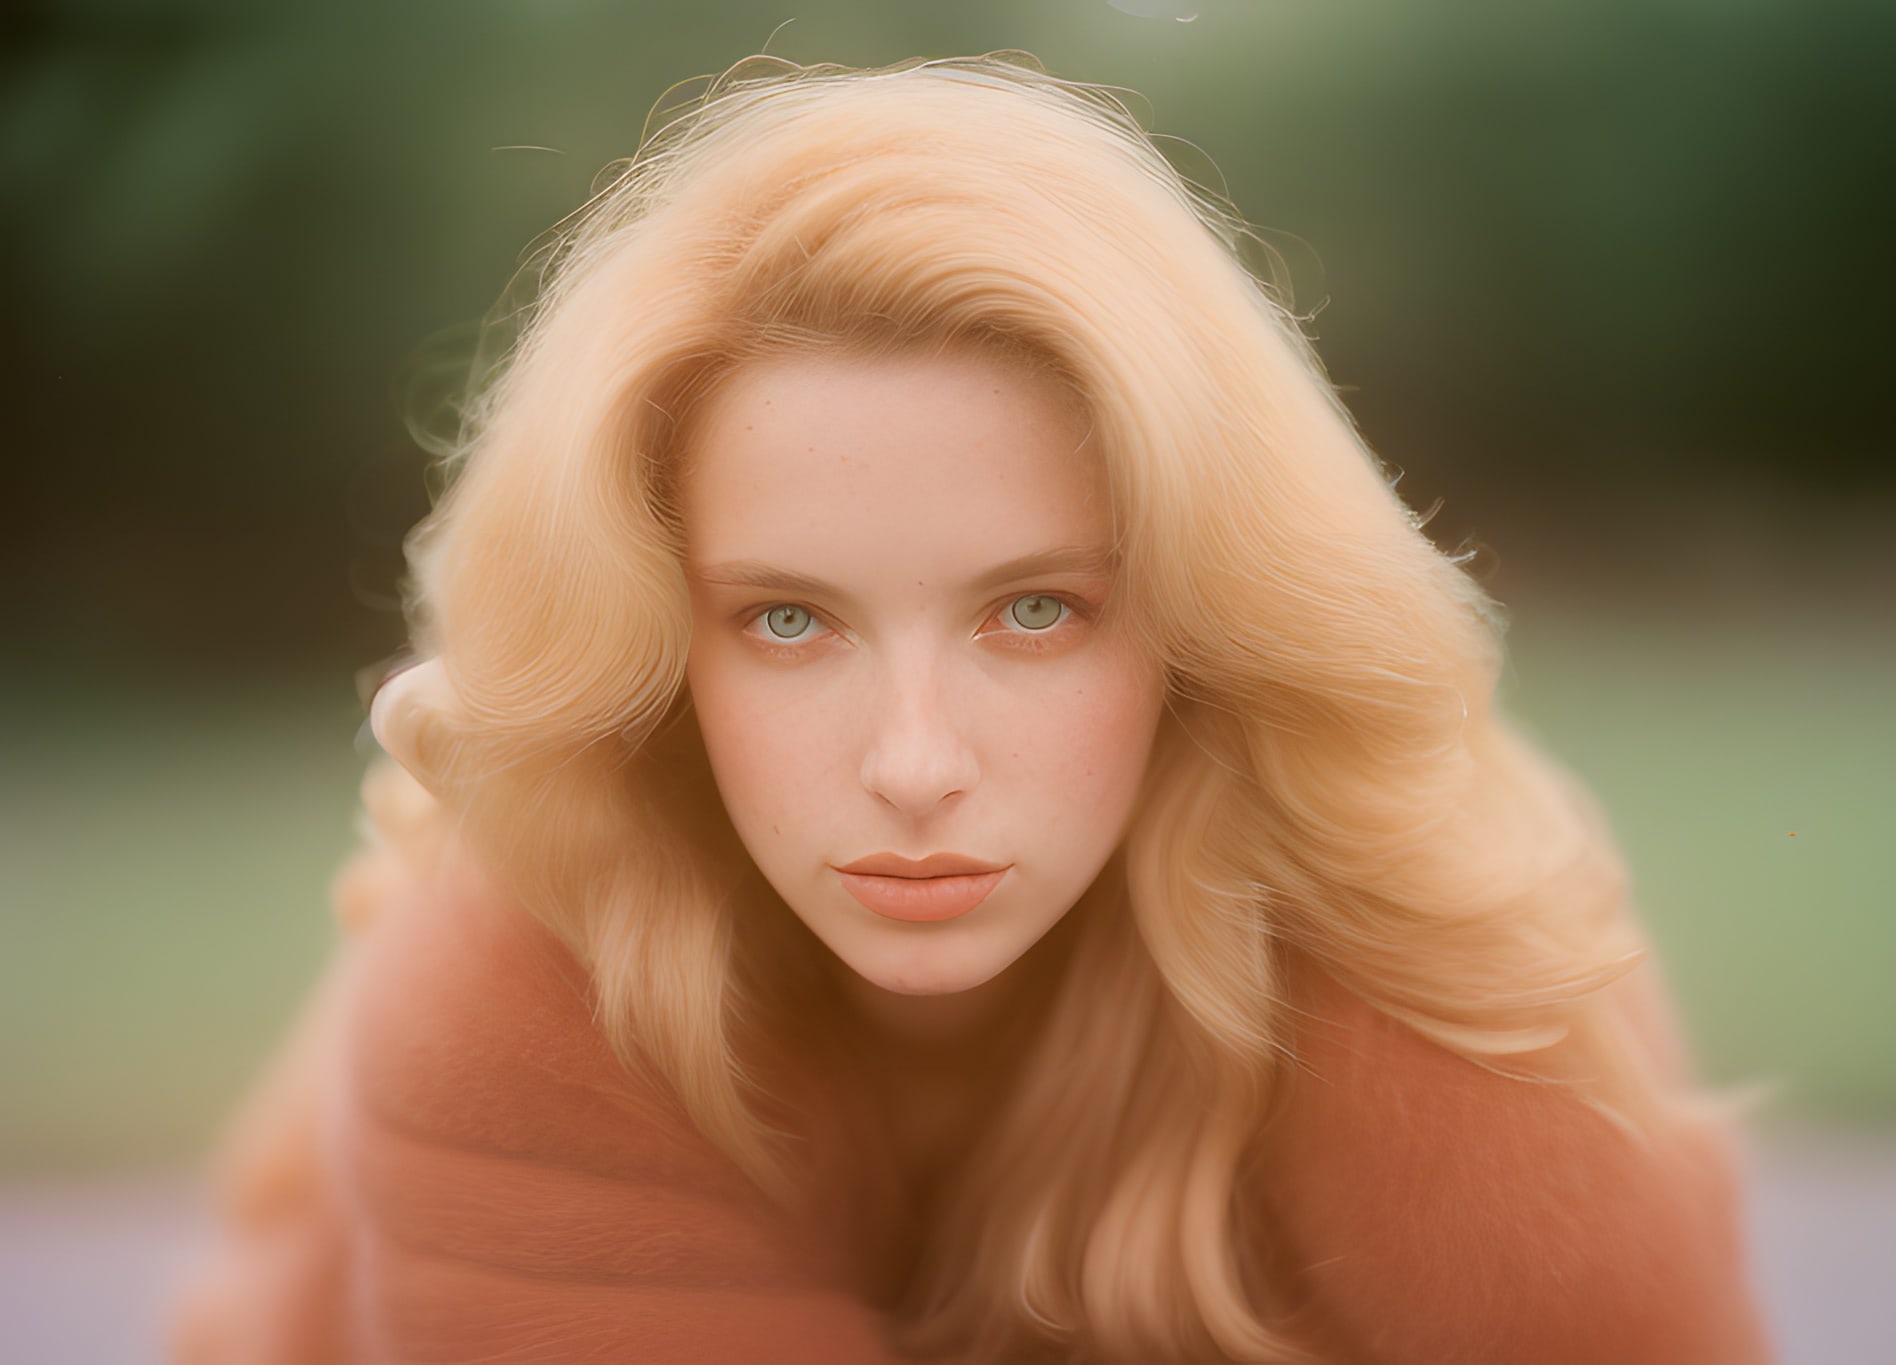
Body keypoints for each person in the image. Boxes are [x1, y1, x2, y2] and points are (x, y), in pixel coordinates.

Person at [171, 55, 1773, 1364]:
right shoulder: (522, 959)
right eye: (787, 619)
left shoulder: (1431, 912)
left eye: (1036, 610)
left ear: (1203, 623)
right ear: (657, 650)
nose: (914, 765)